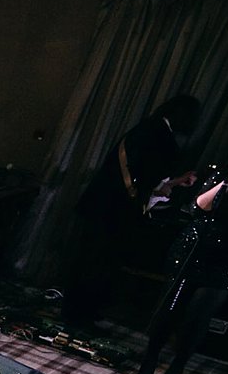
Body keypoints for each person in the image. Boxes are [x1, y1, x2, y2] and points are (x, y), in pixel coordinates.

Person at [62, 94, 201, 328]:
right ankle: (78, 314)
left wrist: (175, 182)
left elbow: (147, 176)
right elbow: (142, 174)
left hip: (108, 207)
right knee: (95, 263)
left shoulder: (152, 129)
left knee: (96, 262)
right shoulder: (156, 133)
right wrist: (169, 183)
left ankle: (83, 310)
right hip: (111, 209)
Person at [138, 127, 228, 374]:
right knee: (169, 309)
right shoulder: (225, 174)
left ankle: (177, 366)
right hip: (195, 249)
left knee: (197, 316)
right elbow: (200, 205)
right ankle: (149, 360)